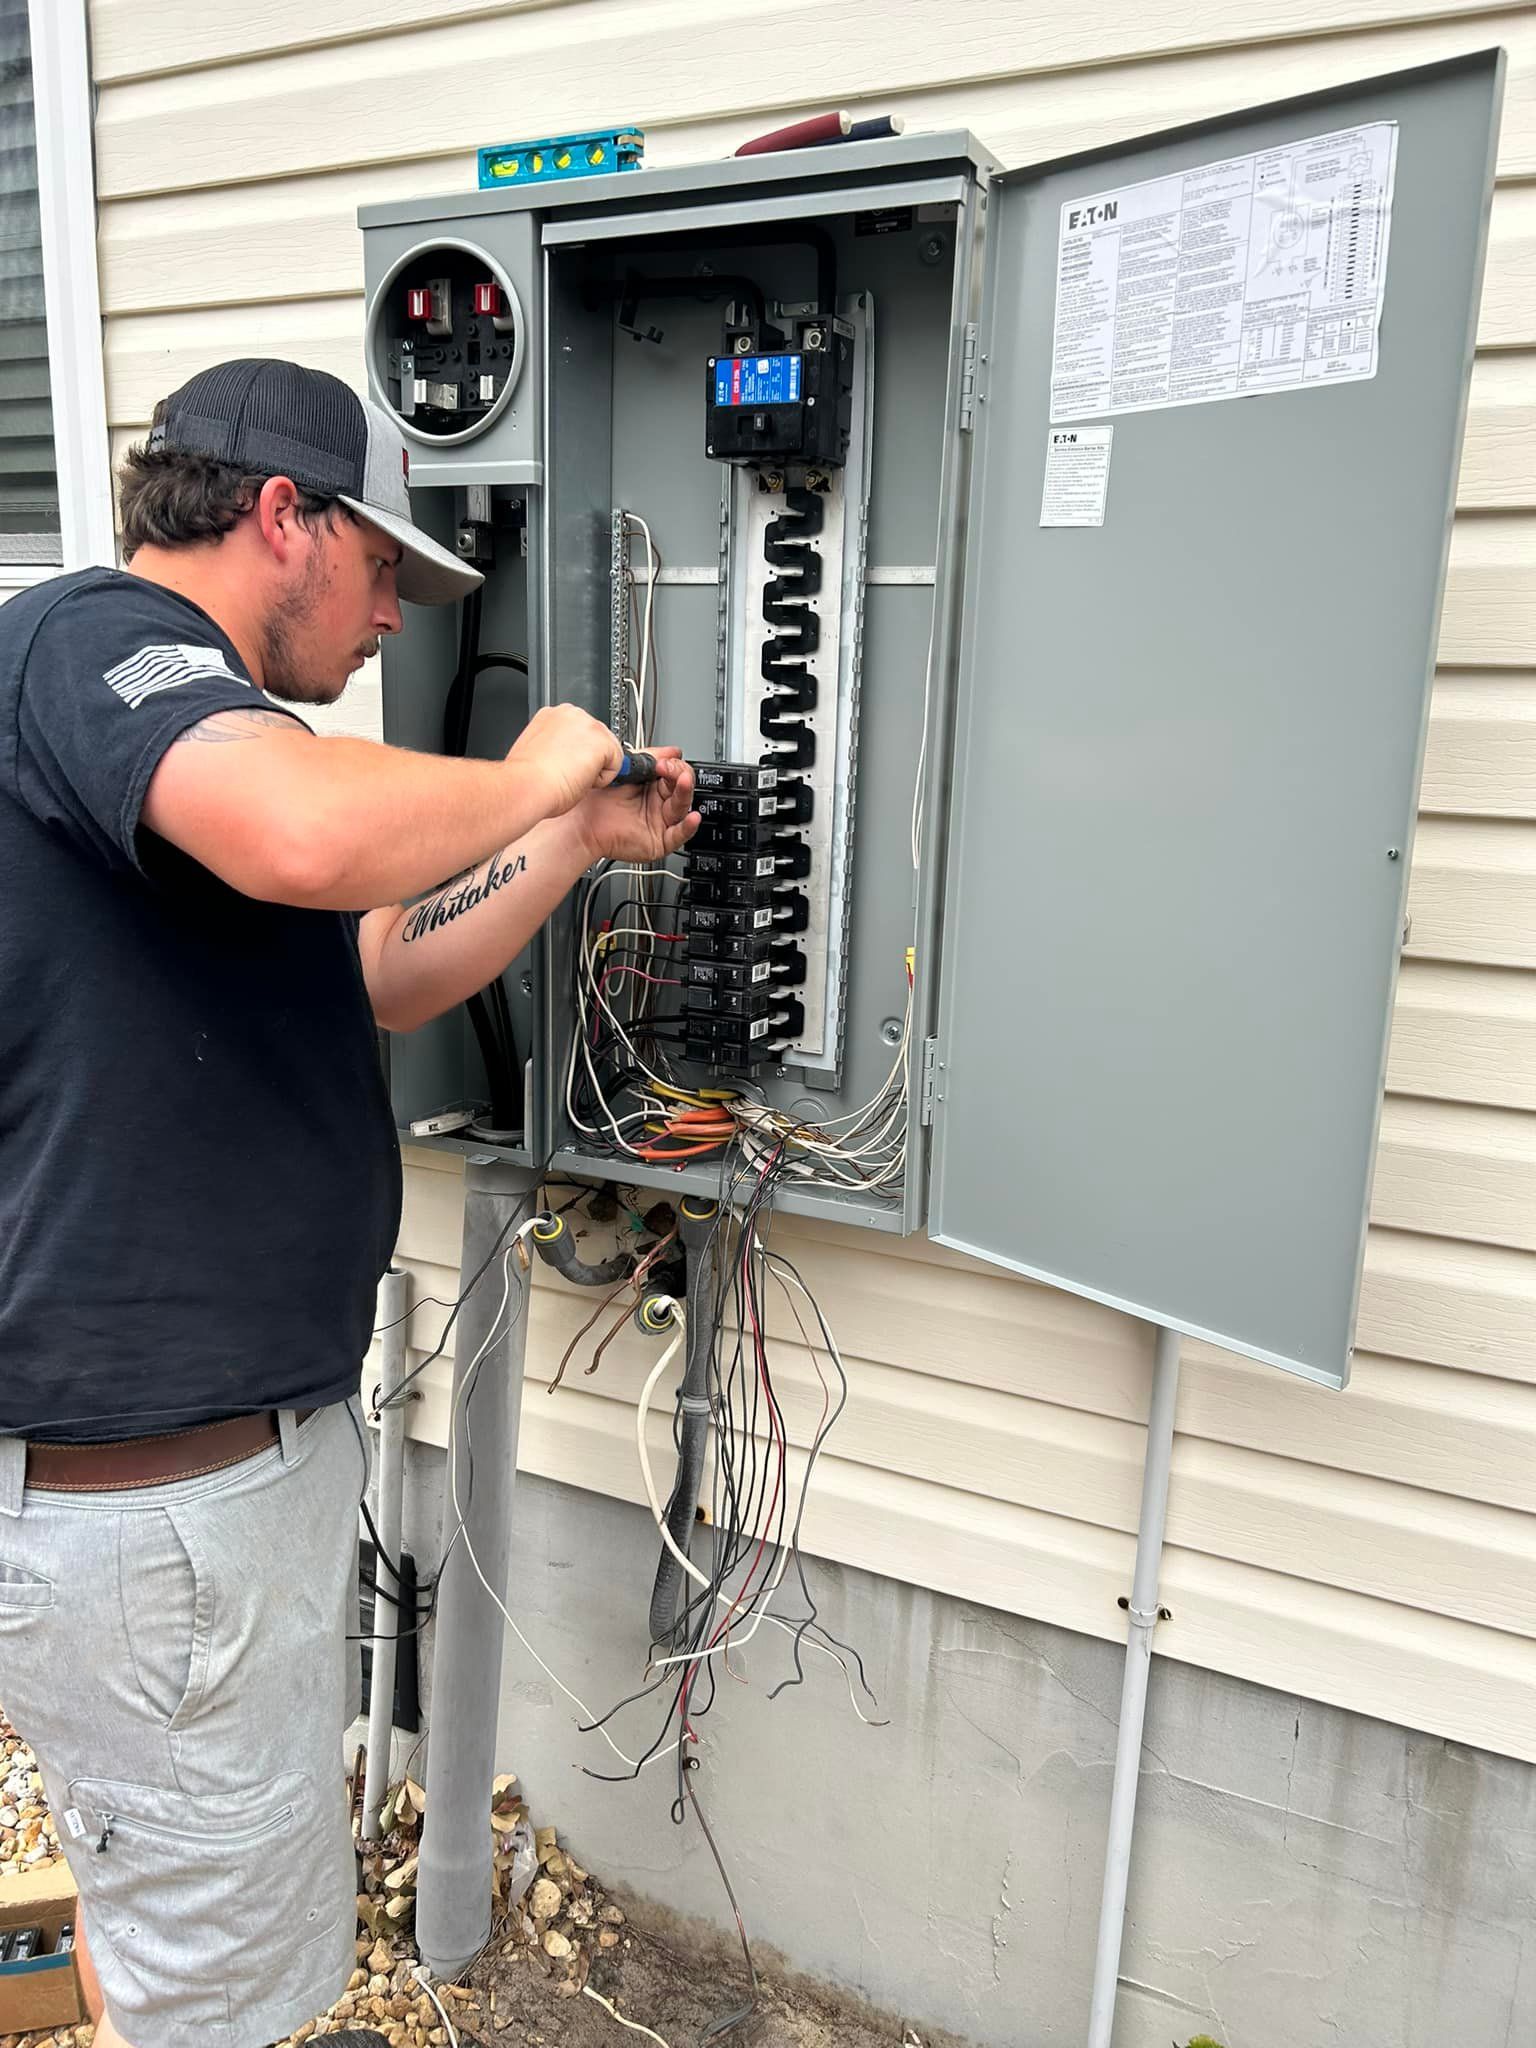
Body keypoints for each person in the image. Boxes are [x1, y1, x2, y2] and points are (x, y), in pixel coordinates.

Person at [0, 359, 698, 2048]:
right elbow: (317, 843)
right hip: (157, 1500)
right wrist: (538, 762)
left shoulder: (218, 752)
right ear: (278, 516)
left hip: (211, 1490)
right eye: (384, 565)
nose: (395, 614)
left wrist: (570, 845)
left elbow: (377, 967)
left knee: (192, 1932)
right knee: (221, 1999)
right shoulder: (100, 646)